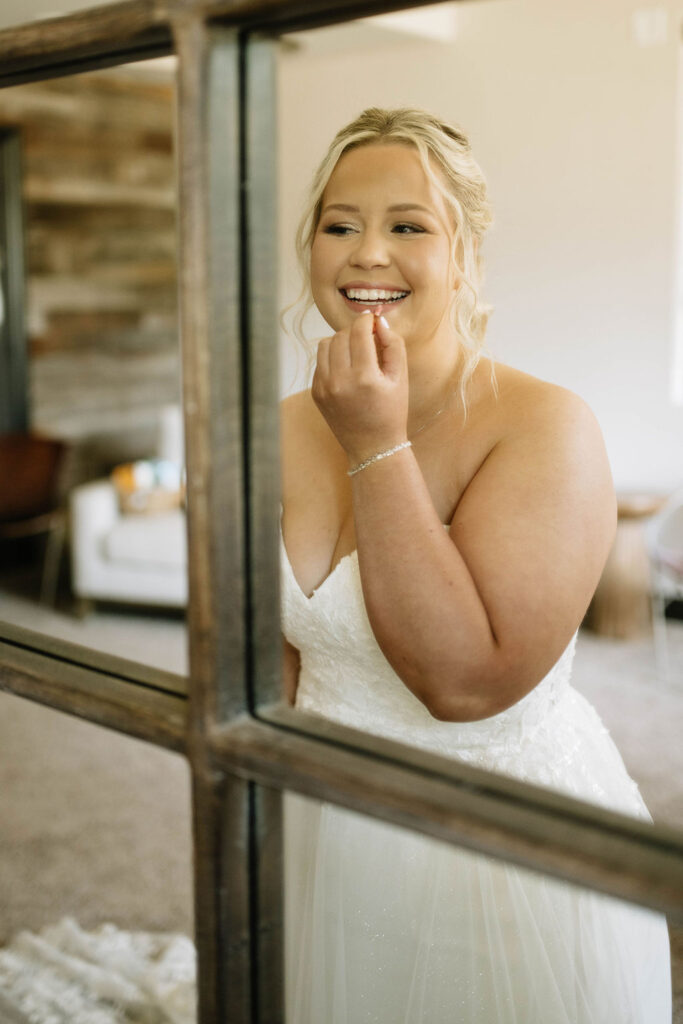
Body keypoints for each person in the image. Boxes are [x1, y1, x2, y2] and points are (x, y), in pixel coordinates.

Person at [279, 107, 671, 1023]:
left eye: (407, 226)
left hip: (491, 857)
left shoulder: (547, 425)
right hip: (319, 828)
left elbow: (462, 683)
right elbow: (278, 661)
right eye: (339, 226)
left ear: (465, 258)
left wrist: (375, 443)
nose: (365, 254)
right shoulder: (285, 422)